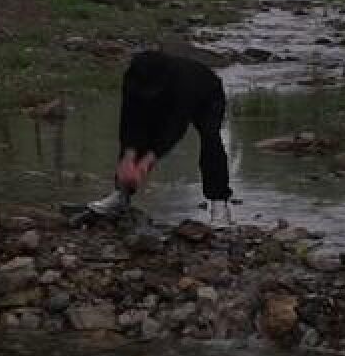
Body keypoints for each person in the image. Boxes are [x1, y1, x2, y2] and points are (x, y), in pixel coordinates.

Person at [88, 50, 235, 226]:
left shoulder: (184, 82)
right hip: (162, 98)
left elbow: (175, 128)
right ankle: (121, 195)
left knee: (211, 140)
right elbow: (129, 121)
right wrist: (128, 158)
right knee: (135, 141)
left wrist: (146, 162)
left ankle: (219, 206)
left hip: (207, 97)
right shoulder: (133, 78)